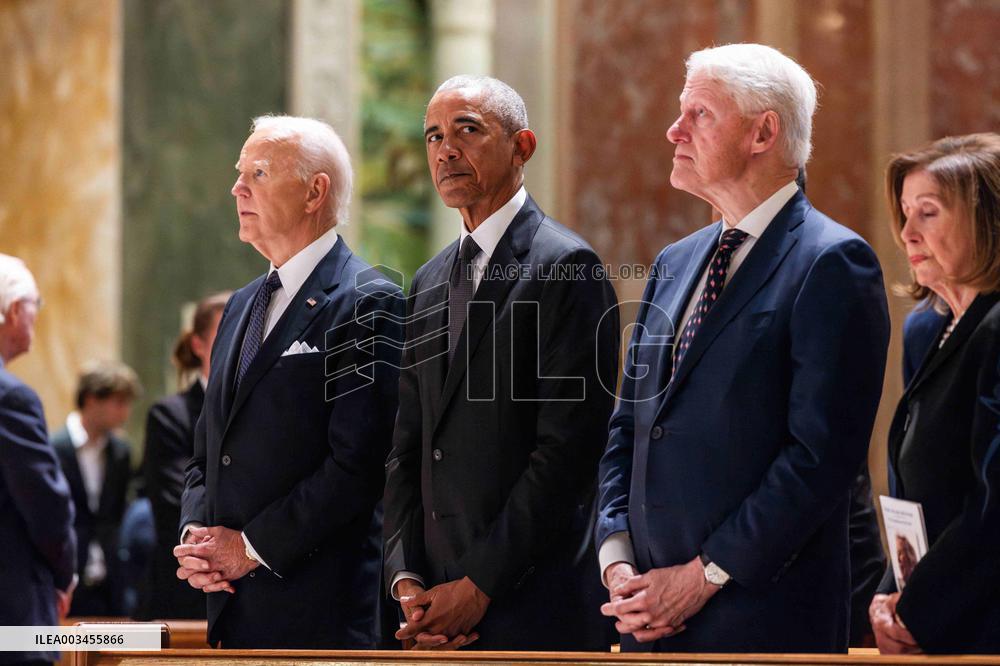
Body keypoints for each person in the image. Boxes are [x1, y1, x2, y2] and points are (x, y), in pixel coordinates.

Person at [597, 43, 890, 653]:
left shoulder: (834, 262)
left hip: (761, 624)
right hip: (645, 618)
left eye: (699, 113)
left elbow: (818, 460)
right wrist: (617, 559)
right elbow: (630, 426)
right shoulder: (674, 262)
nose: (674, 129)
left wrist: (701, 577)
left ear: (763, 133)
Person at [383, 75, 619, 650]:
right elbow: (408, 446)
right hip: (431, 611)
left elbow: (567, 453)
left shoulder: (567, 265)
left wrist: (478, 586)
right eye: (433, 136)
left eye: (467, 130)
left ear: (522, 146)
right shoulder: (429, 279)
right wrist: (408, 579)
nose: (446, 150)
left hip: (531, 606)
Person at [176, 115, 403, 648]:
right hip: (231, 610)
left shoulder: (368, 300)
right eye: (239, 174)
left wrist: (248, 548)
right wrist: (196, 536)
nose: (237, 188)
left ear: (314, 192)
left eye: (257, 173)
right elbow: (207, 452)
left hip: (318, 618)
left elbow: (357, 465)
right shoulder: (239, 304)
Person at [870, 132, 1000, 654]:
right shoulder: (926, 329)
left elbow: (993, 503)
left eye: (928, 213)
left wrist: (918, 608)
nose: (907, 233)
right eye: (905, 214)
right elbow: (916, 497)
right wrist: (890, 594)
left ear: (988, 221)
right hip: (933, 622)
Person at [0, 254, 77, 665]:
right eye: (35, 304)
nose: (36, 315)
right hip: (11, 618)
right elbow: (45, 505)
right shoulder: (10, 398)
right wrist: (65, 574)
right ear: (14, 310)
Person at [137, 292, 229, 620]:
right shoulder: (169, 415)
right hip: (184, 591)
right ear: (198, 344)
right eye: (225, 334)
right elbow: (175, 500)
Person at [52, 360, 141, 616]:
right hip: (67, 579)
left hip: (111, 580)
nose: (125, 412)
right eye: (119, 402)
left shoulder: (121, 452)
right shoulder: (54, 448)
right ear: (91, 399)